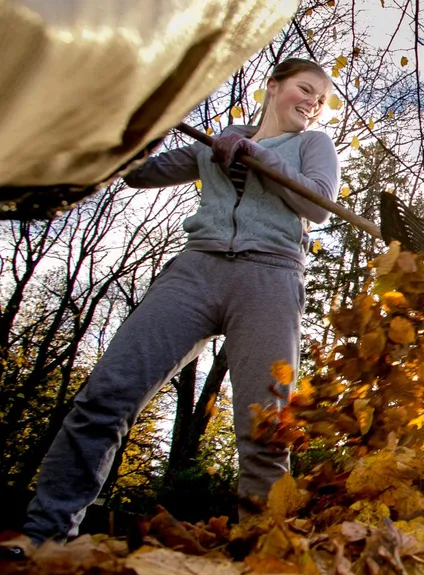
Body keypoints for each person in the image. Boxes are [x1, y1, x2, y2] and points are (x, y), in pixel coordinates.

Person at [20, 58, 340, 545]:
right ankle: (45, 537)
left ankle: (261, 556)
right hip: (195, 271)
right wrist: (129, 130)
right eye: (305, 88)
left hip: (270, 278)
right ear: (272, 87)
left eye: (320, 97)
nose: (313, 102)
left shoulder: (312, 143)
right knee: (105, 398)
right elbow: (137, 174)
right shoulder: (217, 141)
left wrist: (257, 154)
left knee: (266, 431)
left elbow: (317, 202)